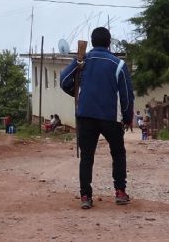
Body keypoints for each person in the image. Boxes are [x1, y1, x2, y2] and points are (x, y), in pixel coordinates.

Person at [61, 27, 134, 210]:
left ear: (92, 42)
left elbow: (64, 81)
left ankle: (85, 196)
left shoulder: (82, 61)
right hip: (110, 117)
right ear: (109, 43)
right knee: (118, 153)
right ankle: (120, 192)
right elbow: (127, 95)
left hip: (86, 115)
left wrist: (78, 93)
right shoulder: (118, 64)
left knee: (86, 156)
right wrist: (127, 117)